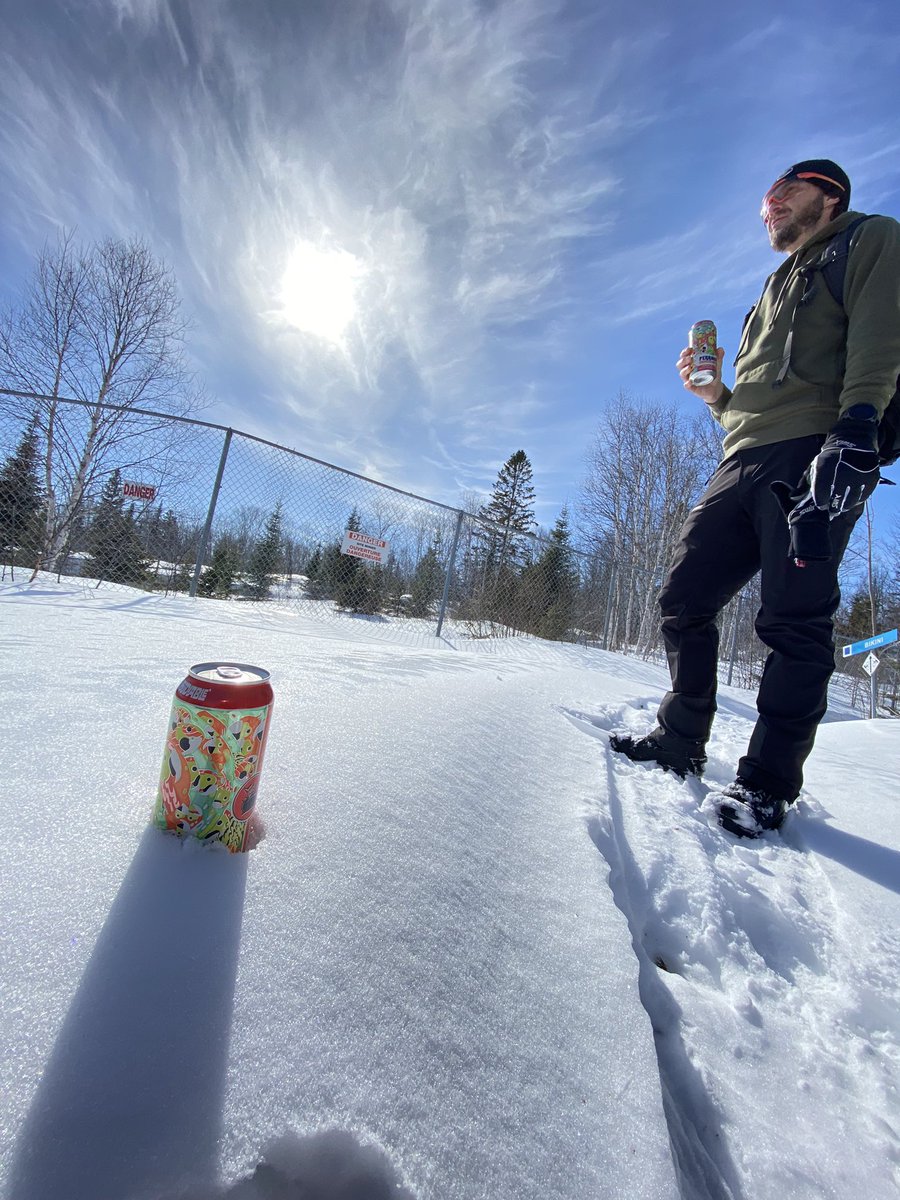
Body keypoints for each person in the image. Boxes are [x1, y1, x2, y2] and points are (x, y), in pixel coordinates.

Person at [611, 159, 900, 838]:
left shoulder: (869, 240)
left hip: (815, 450)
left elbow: (880, 338)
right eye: (764, 202)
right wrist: (716, 399)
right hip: (739, 456)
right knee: (683, 599)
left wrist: (856, 428)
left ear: (828, 196)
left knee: (793, 623)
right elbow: (757, 399)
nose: (767, 205)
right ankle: (680, 740)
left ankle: (765, 787)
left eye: (783, 192)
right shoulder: (769, 288)